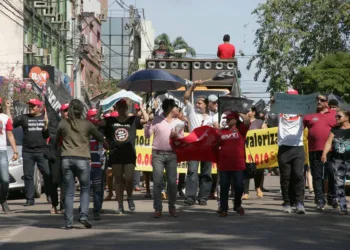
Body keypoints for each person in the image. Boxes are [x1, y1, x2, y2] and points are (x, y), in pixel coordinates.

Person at [56, 99, 105, 229]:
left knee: (69, 192)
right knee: (85, 189)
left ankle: (68, 222)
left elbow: (56, 141)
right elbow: (100, 137)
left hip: (66, 159)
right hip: (83, 159)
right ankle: (83, 216)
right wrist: (107, 144)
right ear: (82, 110)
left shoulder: (63, 123)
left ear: (70, 110)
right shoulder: (87, 124)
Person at [98, 99, 149, 214]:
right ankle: (120, 205)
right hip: (115, 154)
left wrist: (141, 107)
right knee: (118, 180)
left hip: (129, 154)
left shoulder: (133, 120)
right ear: (116, 108)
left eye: (123, 106)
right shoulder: (110, 120)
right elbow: (97, 121)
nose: (121, 108)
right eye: (119, 106)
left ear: (126, 108)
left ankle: (130, 197)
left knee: (129, 178)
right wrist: (101, 108)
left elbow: (146, 119)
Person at [6, 99, 52, 207]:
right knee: (28, 175)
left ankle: (50, 195)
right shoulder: (24, 117)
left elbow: (47, 135)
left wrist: (46, 125)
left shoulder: (44, 118)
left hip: (41, 150)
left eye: (33, 106)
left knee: (47, 173)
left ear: (39, 108)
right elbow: (10, 122)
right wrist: (8, 108)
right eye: (30, 106)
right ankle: (30, 199)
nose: (31, 108)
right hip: (27, 151)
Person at [145, 99, 184, 218]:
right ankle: (158, 209)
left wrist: (176, 136)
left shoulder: (179, 122)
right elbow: (147, 135)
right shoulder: (156, 120)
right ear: (169, 108)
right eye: (173, 106)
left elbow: (181, 140)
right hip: (158, 155)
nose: (175, 108)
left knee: (172, 183)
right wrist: (148, 123)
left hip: (172, 154)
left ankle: (172, 207)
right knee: (157, 182)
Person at [183, 81, 215, 206]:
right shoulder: (192, 111)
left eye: (200, 103)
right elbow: (185, 97)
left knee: (206, 173)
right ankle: (190, 197)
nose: (197, 104)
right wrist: (193, 87)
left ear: (206, 105)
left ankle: (203, 197)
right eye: (196, 102)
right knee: (192, 171)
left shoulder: (212, 117)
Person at [304, 94, 337, 210]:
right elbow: (298, 128)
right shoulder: (309, 115)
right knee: (316, 176)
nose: (318, 101)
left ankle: (332, 197)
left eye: (321, 100)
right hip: (314, 150)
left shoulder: (334, 114)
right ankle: (320, 199)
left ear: (327, 103)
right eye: (317, 100)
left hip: (331, 151)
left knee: (332, 173)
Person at [277, 89, 306, 214]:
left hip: (298, 147)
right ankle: (287, 202)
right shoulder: (280, 110)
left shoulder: (302, 111)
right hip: (284, 148)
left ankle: (299, 202)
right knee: (286, 177)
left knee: (299, 175)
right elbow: (273, 102)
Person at [218, 111, 250, 217]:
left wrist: (239, 112)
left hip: (238, 164)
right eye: (226, 119)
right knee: (224, 187)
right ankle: (224, 208)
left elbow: (247, 120)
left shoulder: (241, 130)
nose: (227, 120)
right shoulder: (222, 132)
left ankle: (237, 205)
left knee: (239, 186)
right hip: (224, 164)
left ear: (235, 120)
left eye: (229, 119)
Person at [321, 109, 350, 215]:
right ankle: (343, 207)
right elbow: (328, 143)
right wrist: (324, 154)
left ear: (347, 117)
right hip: (337, 160)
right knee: (339, 184)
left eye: (339, 116)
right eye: (336, 117)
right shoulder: (334, 130)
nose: (336, 118)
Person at [0, 99, 18, 213]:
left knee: (5, 180)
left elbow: (10, 135)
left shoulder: (4, 118)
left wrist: (15, 151)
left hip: (2, 151)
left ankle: (3, 200)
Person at [243, 106, 265, 200]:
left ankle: (258, 187)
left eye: (248, 110)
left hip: (257, 150)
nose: (246, 112)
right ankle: (245, 192)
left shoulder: (260, 122)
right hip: (245, 149)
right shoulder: (243, 122)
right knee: (246, 169)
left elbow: (266, 133)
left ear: (253, 112)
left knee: (259, 169)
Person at [86, 109, 105, 220]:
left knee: (97, 188)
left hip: (98, 165)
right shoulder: (83, 132)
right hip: (86, 164)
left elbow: (106, 146)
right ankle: (84, 209)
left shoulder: (101, 132)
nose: (95, 119)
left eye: (96, 116)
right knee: (86, 188)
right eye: (92, 116)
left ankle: (97, 210)